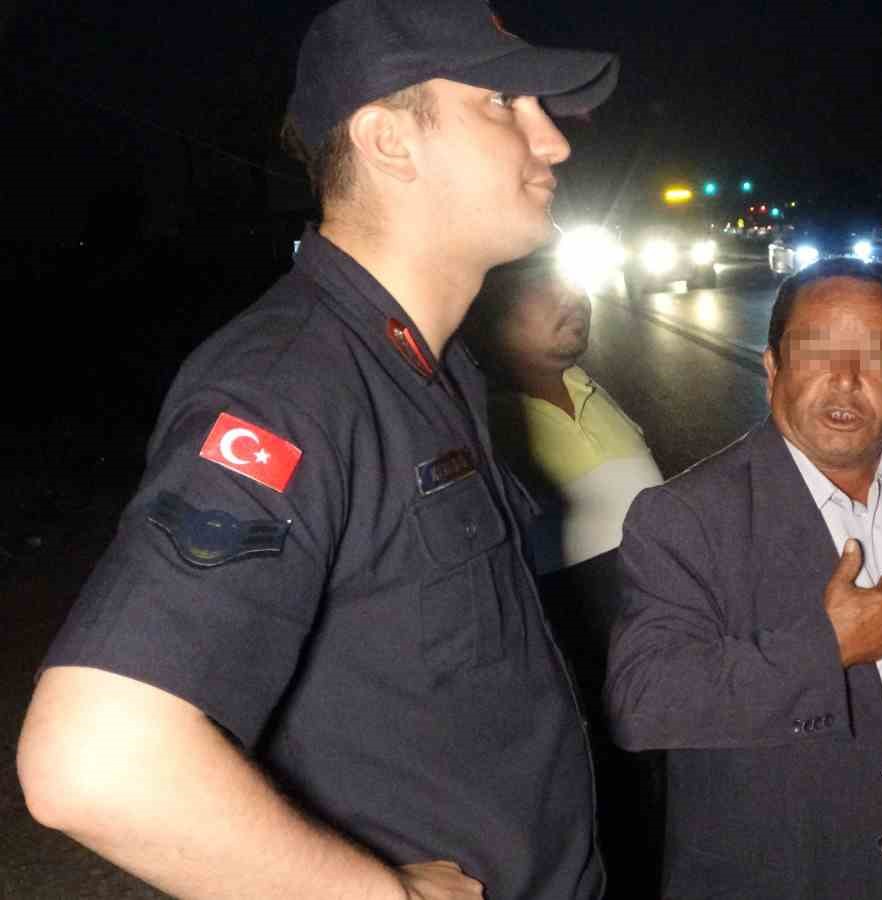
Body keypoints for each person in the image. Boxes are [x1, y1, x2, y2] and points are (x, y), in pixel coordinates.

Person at [16, 2, 619, 898]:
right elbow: (97, 757)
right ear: (389, 140)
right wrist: (384, 894)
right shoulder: (291, 386)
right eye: (503, 103)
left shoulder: (433, 365)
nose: (555, 141)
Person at [606, 256, 882, 899]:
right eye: (817, 350)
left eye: (877, 357)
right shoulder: (687, 515)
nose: (846, 379)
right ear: (772, 368)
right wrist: (825, 647)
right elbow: (642, 702)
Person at [461, 255, 666, 896]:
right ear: (487, 315)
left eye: (574, 285)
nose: (571, 299)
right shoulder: (478, 424)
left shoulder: (592, 390)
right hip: (585, 684)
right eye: (543, 291)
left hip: (664, 660)